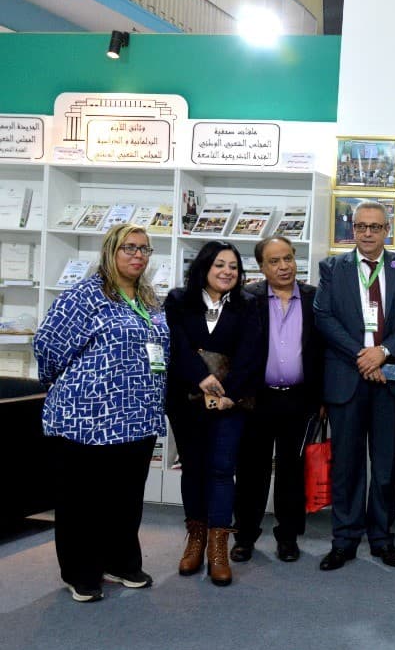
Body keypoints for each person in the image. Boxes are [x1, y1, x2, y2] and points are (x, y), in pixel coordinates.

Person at [34, 223, 168, 602]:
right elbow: (47, 346)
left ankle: (121, 562)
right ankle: (81, 572)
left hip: (138, 417)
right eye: (130, 248)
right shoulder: (84, 296)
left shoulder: (149, 299)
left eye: (144, 249)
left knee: (125, 497)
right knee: (82, 500)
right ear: (110, 251)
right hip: (87, 418)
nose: (138, 255)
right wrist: (69, 386)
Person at [314, 200, 395, 571]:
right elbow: (324, 317)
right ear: (353, 229)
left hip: (389, 379)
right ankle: (344, 540)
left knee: (384, 466)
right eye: (360, 226)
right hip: (348, 377)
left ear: (387, 230)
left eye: (375, 227)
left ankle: (381, 539)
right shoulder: (333, 268)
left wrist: (384, 352)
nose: (367, 233)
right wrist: (363, 356)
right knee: (346, 465)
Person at [166, 241, 261, 587]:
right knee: (193, 469)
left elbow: (252, 353)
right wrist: (201, 377)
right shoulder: (178, 300)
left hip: (230, 404)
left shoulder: (248, 304)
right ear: (204, 267)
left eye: (233, 266)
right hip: (186, 400)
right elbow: (176, 345)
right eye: (220, 264)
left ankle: (218, 549)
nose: (227, 272)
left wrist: (229, 394)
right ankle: (195, 540)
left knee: (222, 470)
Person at [230, 237, 324, 564]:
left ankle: (288, 537)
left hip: (299, 400)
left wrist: (322, 397)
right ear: (261, 267)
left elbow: (322, 351)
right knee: (251, 472)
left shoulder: (314, 298)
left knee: (292, 472)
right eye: (274, 261)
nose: (284, 266)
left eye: (288, 258)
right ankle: (244, 536)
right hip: (257, 400)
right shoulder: (247, 298)